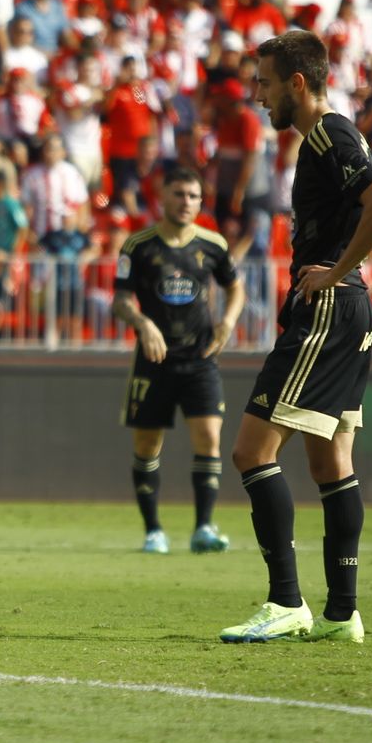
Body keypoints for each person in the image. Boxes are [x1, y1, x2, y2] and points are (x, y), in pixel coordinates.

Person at [224, 30, 372, 645]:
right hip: (349, 307)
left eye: (265, 83)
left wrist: (335, 268)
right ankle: (341, 613)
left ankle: (286, 602)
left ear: (296, 83)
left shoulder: (328, 133)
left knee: (252, 452)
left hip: (327, 307)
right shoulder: (337, 135)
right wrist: (348, 262)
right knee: (331, 461)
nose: (259, 95)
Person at [112, 167, 246, 555]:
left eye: (193, 196)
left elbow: (235, 289)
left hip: (200, 357)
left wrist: (227, 322)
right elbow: (120, 299)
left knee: (209, 438)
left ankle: (204, 527)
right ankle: (153, 530)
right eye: (178, 194)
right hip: (154, 359)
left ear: (200, 202)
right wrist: (142, 324)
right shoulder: (138, 245)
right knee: (147, 443)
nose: (186, 202)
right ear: (162, 197)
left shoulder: (213, 244)